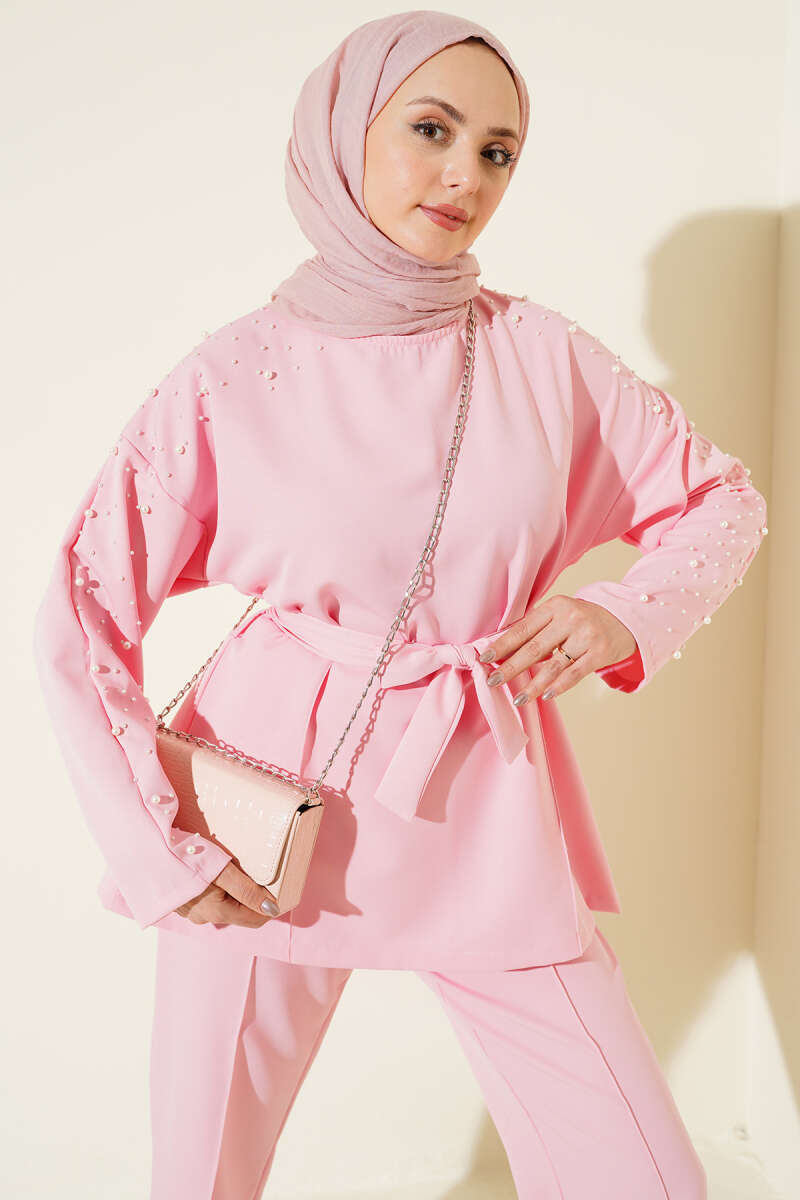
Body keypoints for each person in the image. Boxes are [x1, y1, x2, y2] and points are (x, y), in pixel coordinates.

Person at [32, 11, 767, 1199]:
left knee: (636, 1171)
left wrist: (626, 611)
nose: (464, 174)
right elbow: (82, 607)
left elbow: (719, 500)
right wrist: (156, 845)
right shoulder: (233, 374)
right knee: (203, 1173)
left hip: (483, 800)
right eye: (430, 130)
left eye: (496, 151)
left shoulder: (541, 356)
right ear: (342, 135)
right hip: (263, 805)